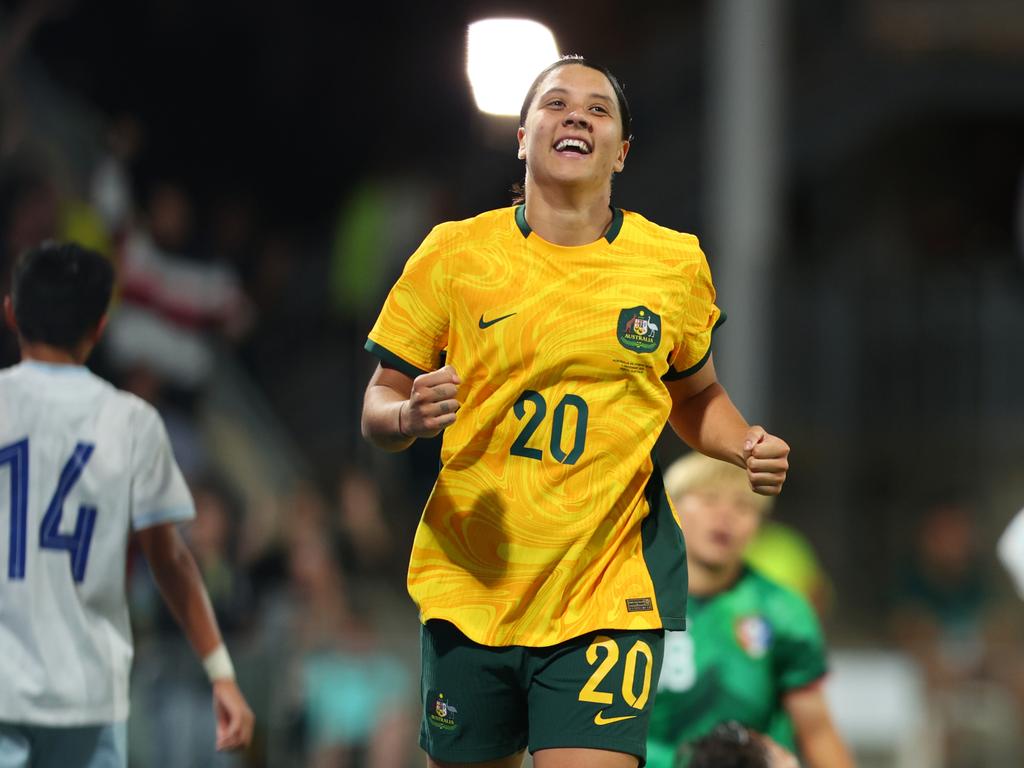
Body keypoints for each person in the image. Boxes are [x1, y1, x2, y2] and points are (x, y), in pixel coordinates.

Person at [361, 55, 790, 768]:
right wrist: (406, 418)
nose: (576, 116)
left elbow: (695, 395)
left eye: (598, 110)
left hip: (607, 590)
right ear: (523, 136)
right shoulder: (454, 253)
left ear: (620, 152)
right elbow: (380, 398)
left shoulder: (672, 263)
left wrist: (742, 443)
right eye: (556, 104)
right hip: (477, 583)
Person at [0, 242, 253, 767]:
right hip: (87, 690)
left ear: (11, 313)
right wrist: (221, 673)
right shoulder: (131, 422)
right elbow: (172, 560)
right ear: (99, 327)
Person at [647, 452, 852, 768]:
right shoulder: (627, 599)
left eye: (743, 506)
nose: (725, 515)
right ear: (671, 506)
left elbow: (817, 732)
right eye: (709, 499)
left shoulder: (783, 611)